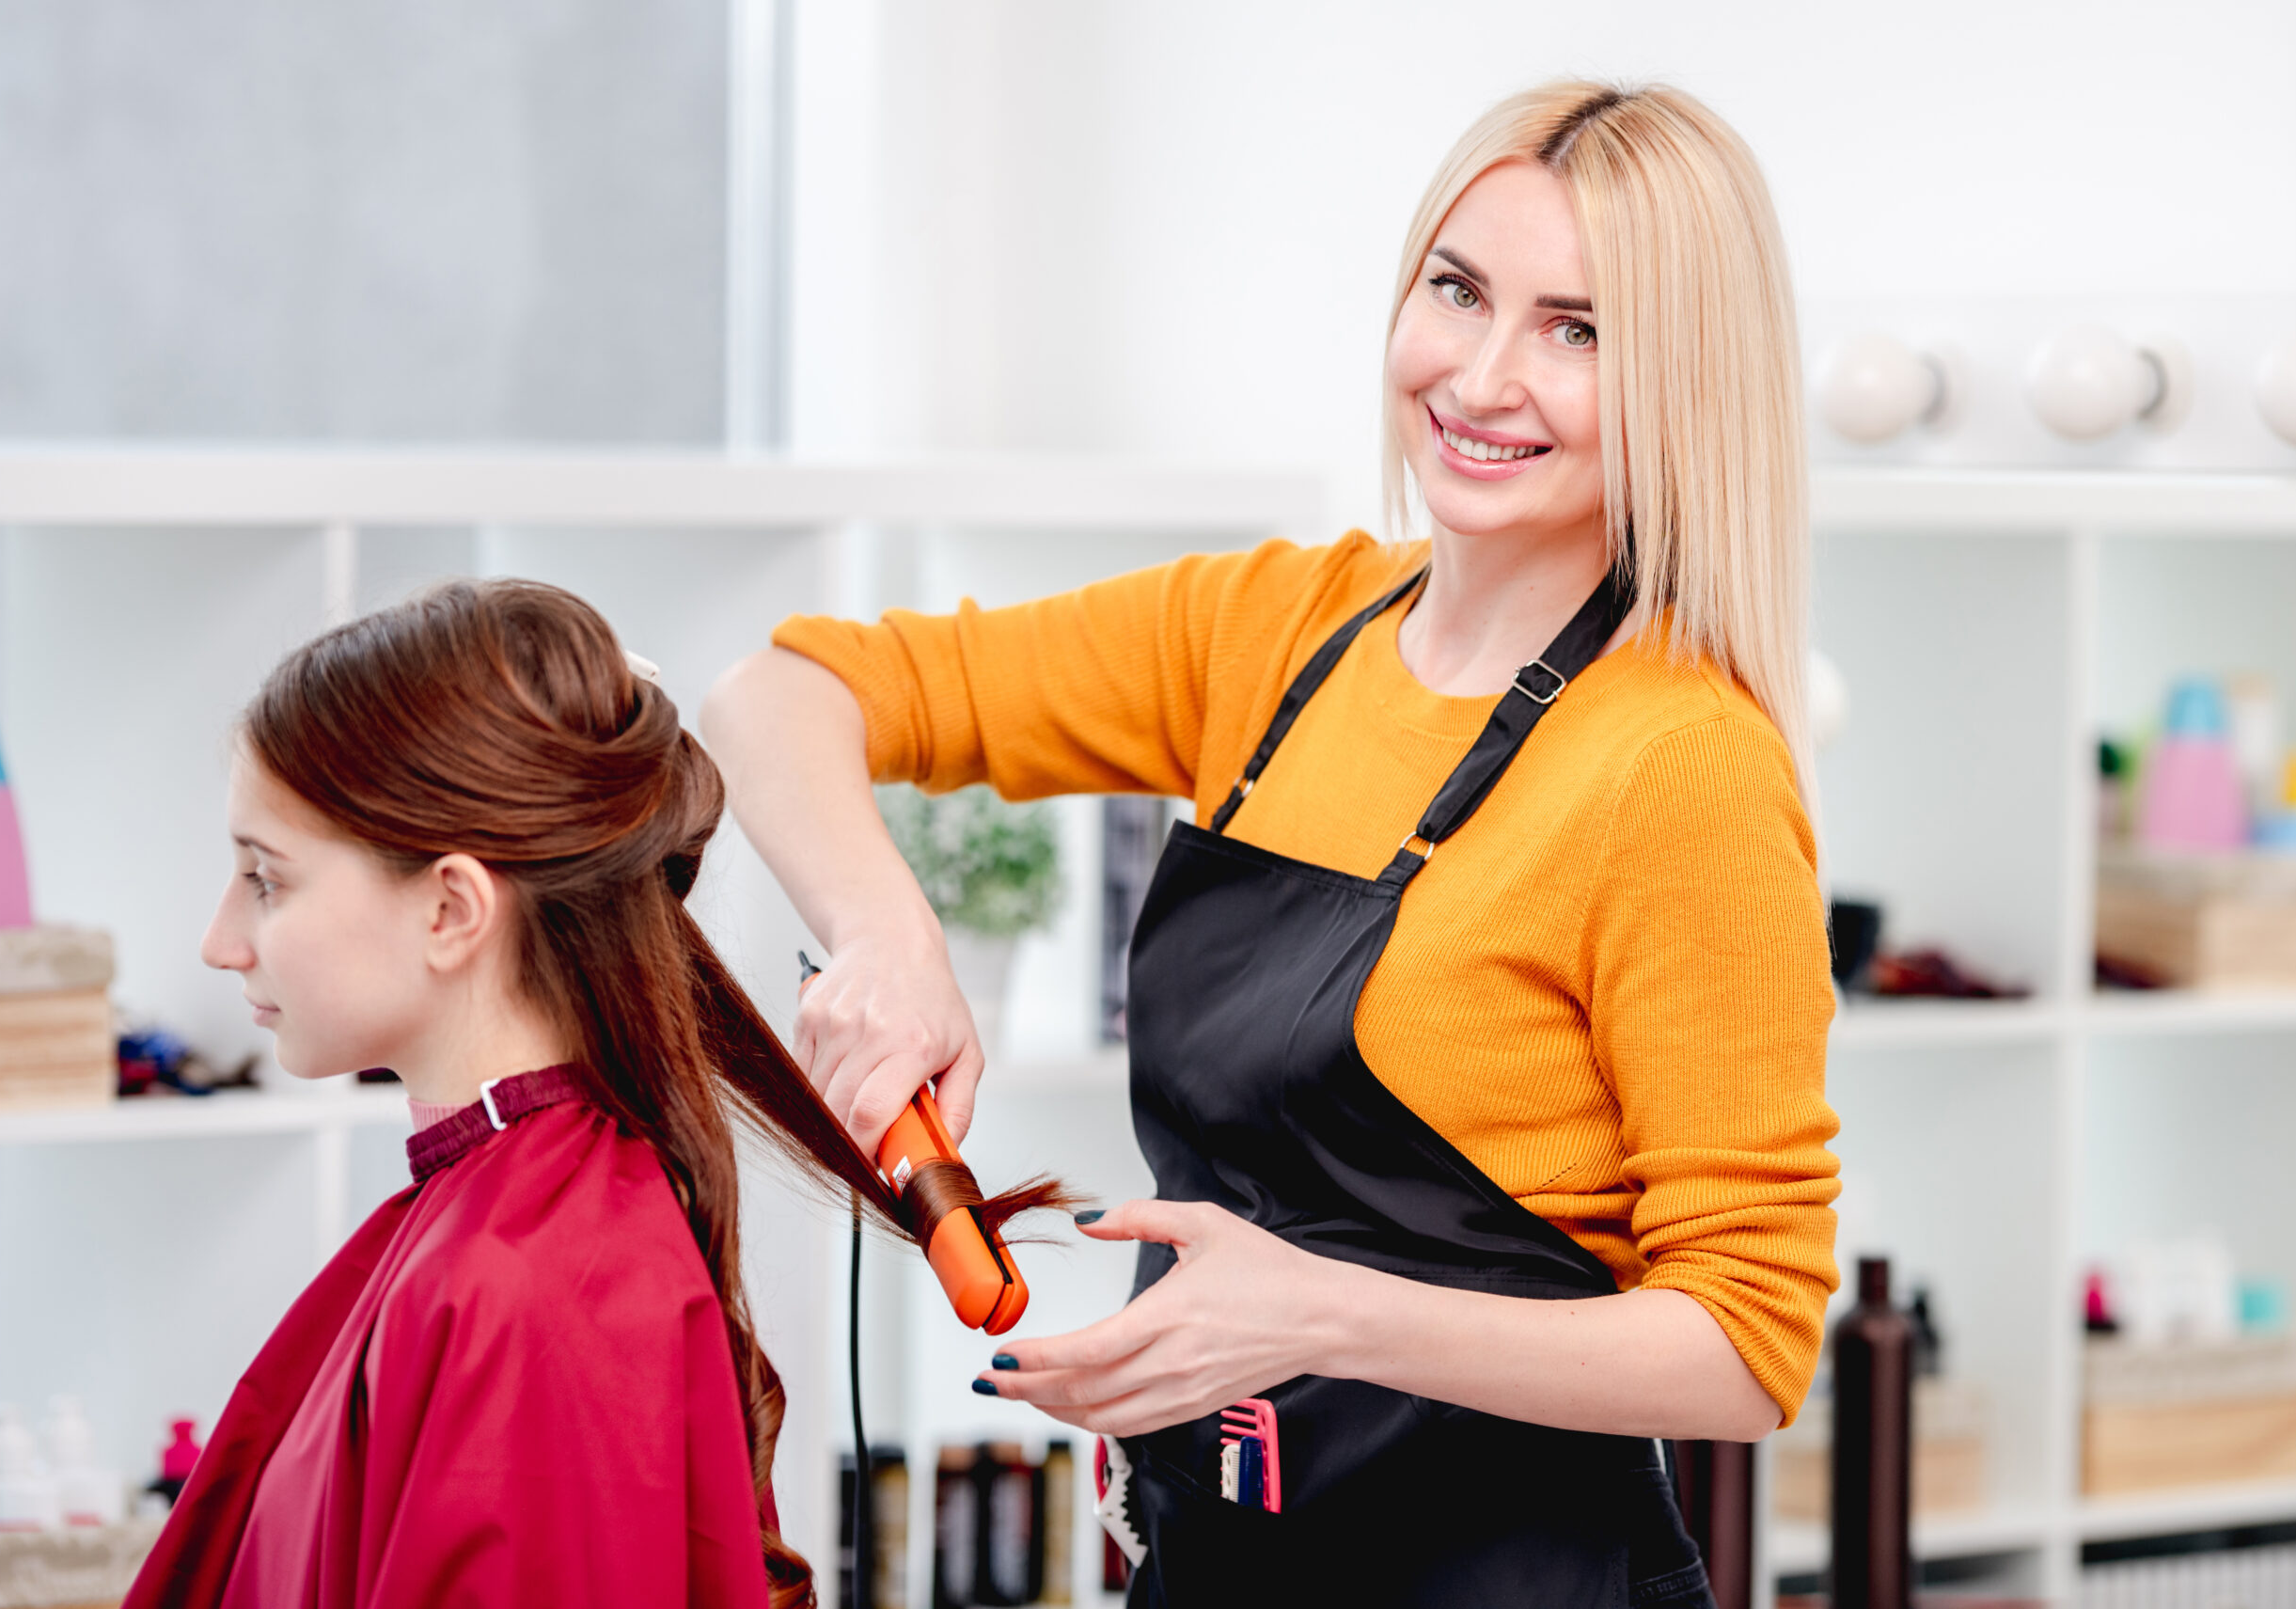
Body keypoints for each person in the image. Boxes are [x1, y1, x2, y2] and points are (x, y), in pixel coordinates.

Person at [704, 79, 1839, 1608]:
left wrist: (1326, 1316)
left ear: (1682, 382)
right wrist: (888, 935)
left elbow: (1750, 1346)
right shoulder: (1280, 628)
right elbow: (777, 695)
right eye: (1458, 290)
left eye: (1578, 330)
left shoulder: (1683, 765)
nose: (1481, 376)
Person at [128, 579, 1057, 1609]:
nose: (220, 942)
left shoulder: (531, 1293)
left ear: (451, 909)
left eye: (266, 879)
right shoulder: (514, 1233)